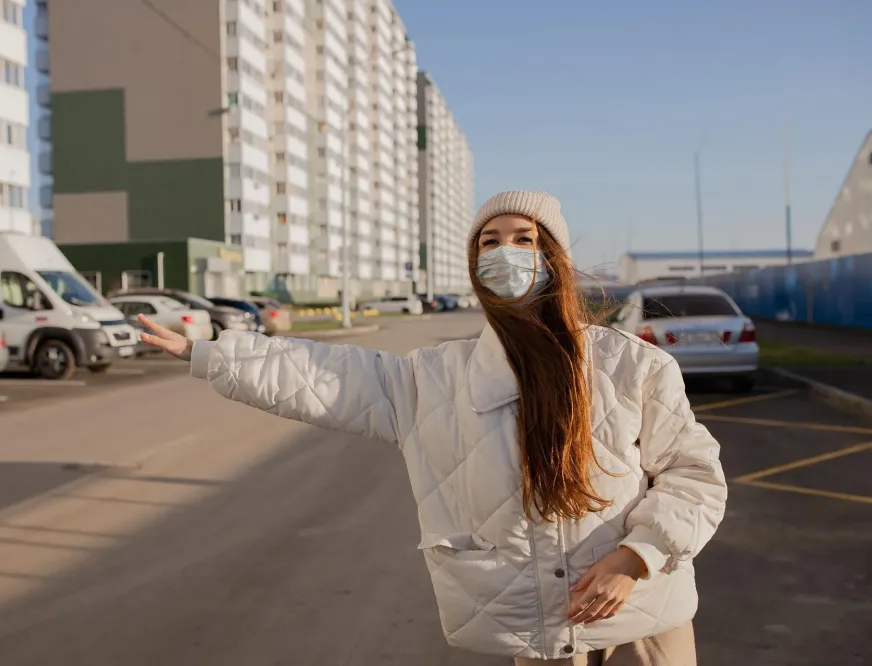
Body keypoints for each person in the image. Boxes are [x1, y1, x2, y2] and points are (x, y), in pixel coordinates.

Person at [139, 190, 727, 666]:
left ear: (552, 256)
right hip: (543, 629)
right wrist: (209, 353)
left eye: (523, 239)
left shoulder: (631, 364)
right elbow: (320, 375)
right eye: (489, 242)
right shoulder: (435, 376)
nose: (505, 251)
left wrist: (636, 557)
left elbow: (695, 476)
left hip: (644, 616)